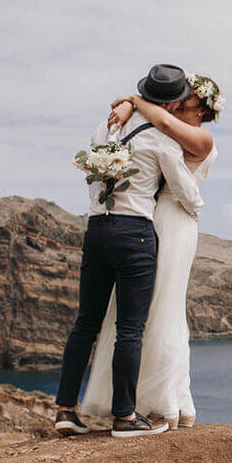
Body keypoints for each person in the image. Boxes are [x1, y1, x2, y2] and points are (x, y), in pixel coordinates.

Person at [54, 64, 204, 438]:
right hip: (135, 233)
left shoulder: (105, 129)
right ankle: (124, 416)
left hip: (96, 229)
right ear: (170, 105)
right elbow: (188, 195)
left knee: (85, 323)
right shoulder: (162, 141)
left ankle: (65, 411)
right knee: (130, 328)